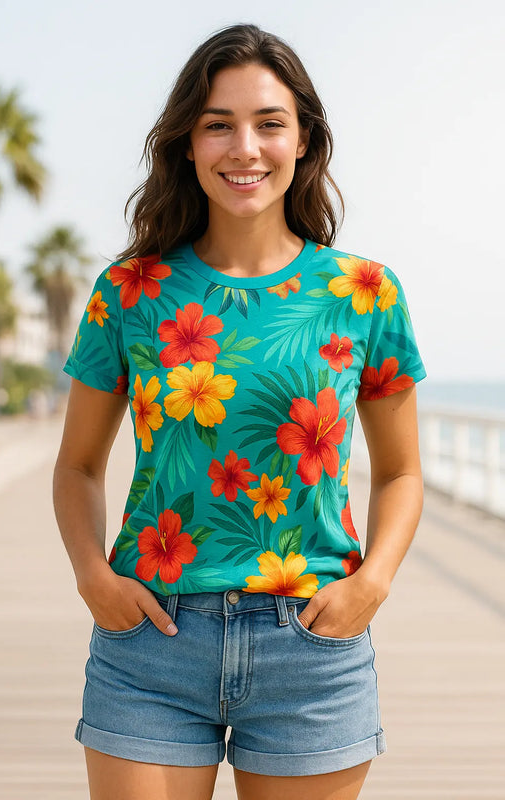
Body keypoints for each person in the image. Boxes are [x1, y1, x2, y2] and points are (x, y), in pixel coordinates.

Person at [53, 22, 426, 800]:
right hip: (151, 643)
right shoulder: (130, 293)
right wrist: (92, 574)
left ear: (303, 141)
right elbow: (78, 464)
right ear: (186, 144)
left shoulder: (364, 293)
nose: (243, 147)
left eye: (268, 123)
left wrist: (373, 583)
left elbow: (400, 472)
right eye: (217, 124)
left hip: (311, 646)